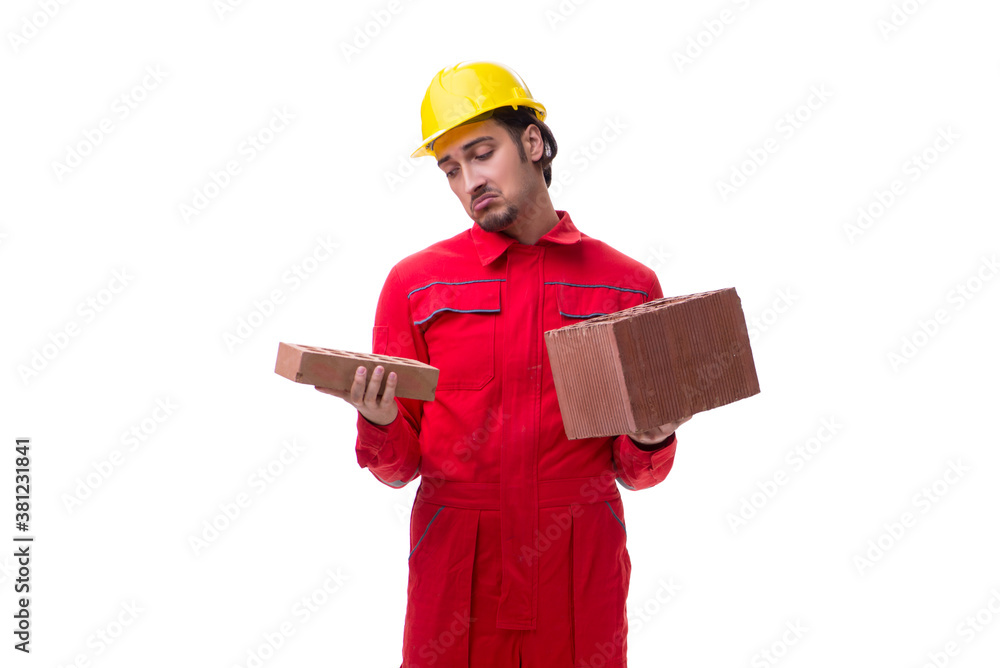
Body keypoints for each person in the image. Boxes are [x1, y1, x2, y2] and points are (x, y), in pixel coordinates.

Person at [316, 60, 691, 668]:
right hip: (456, 565)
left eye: (482, 152)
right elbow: (397, 469)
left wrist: (653, 435)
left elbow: (639, 472)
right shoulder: (416, 285)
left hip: (580, 559)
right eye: (450, 169)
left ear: (534, 142)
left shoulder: (627, 286)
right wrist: (380, 422)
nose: (469, 181)